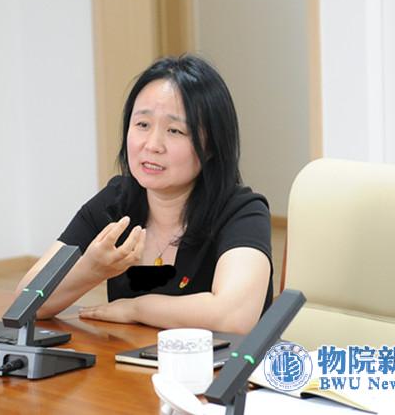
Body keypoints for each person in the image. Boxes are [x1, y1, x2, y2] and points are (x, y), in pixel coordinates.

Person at [15, 55, 272, 334]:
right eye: (142, 125)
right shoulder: (115, 202)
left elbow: (234, 316)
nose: (152, 145)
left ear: (211, 146)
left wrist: (136, 308)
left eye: (175, 130)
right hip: (130, 360)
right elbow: (25, 302)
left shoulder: (242, 212)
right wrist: (90, 269)